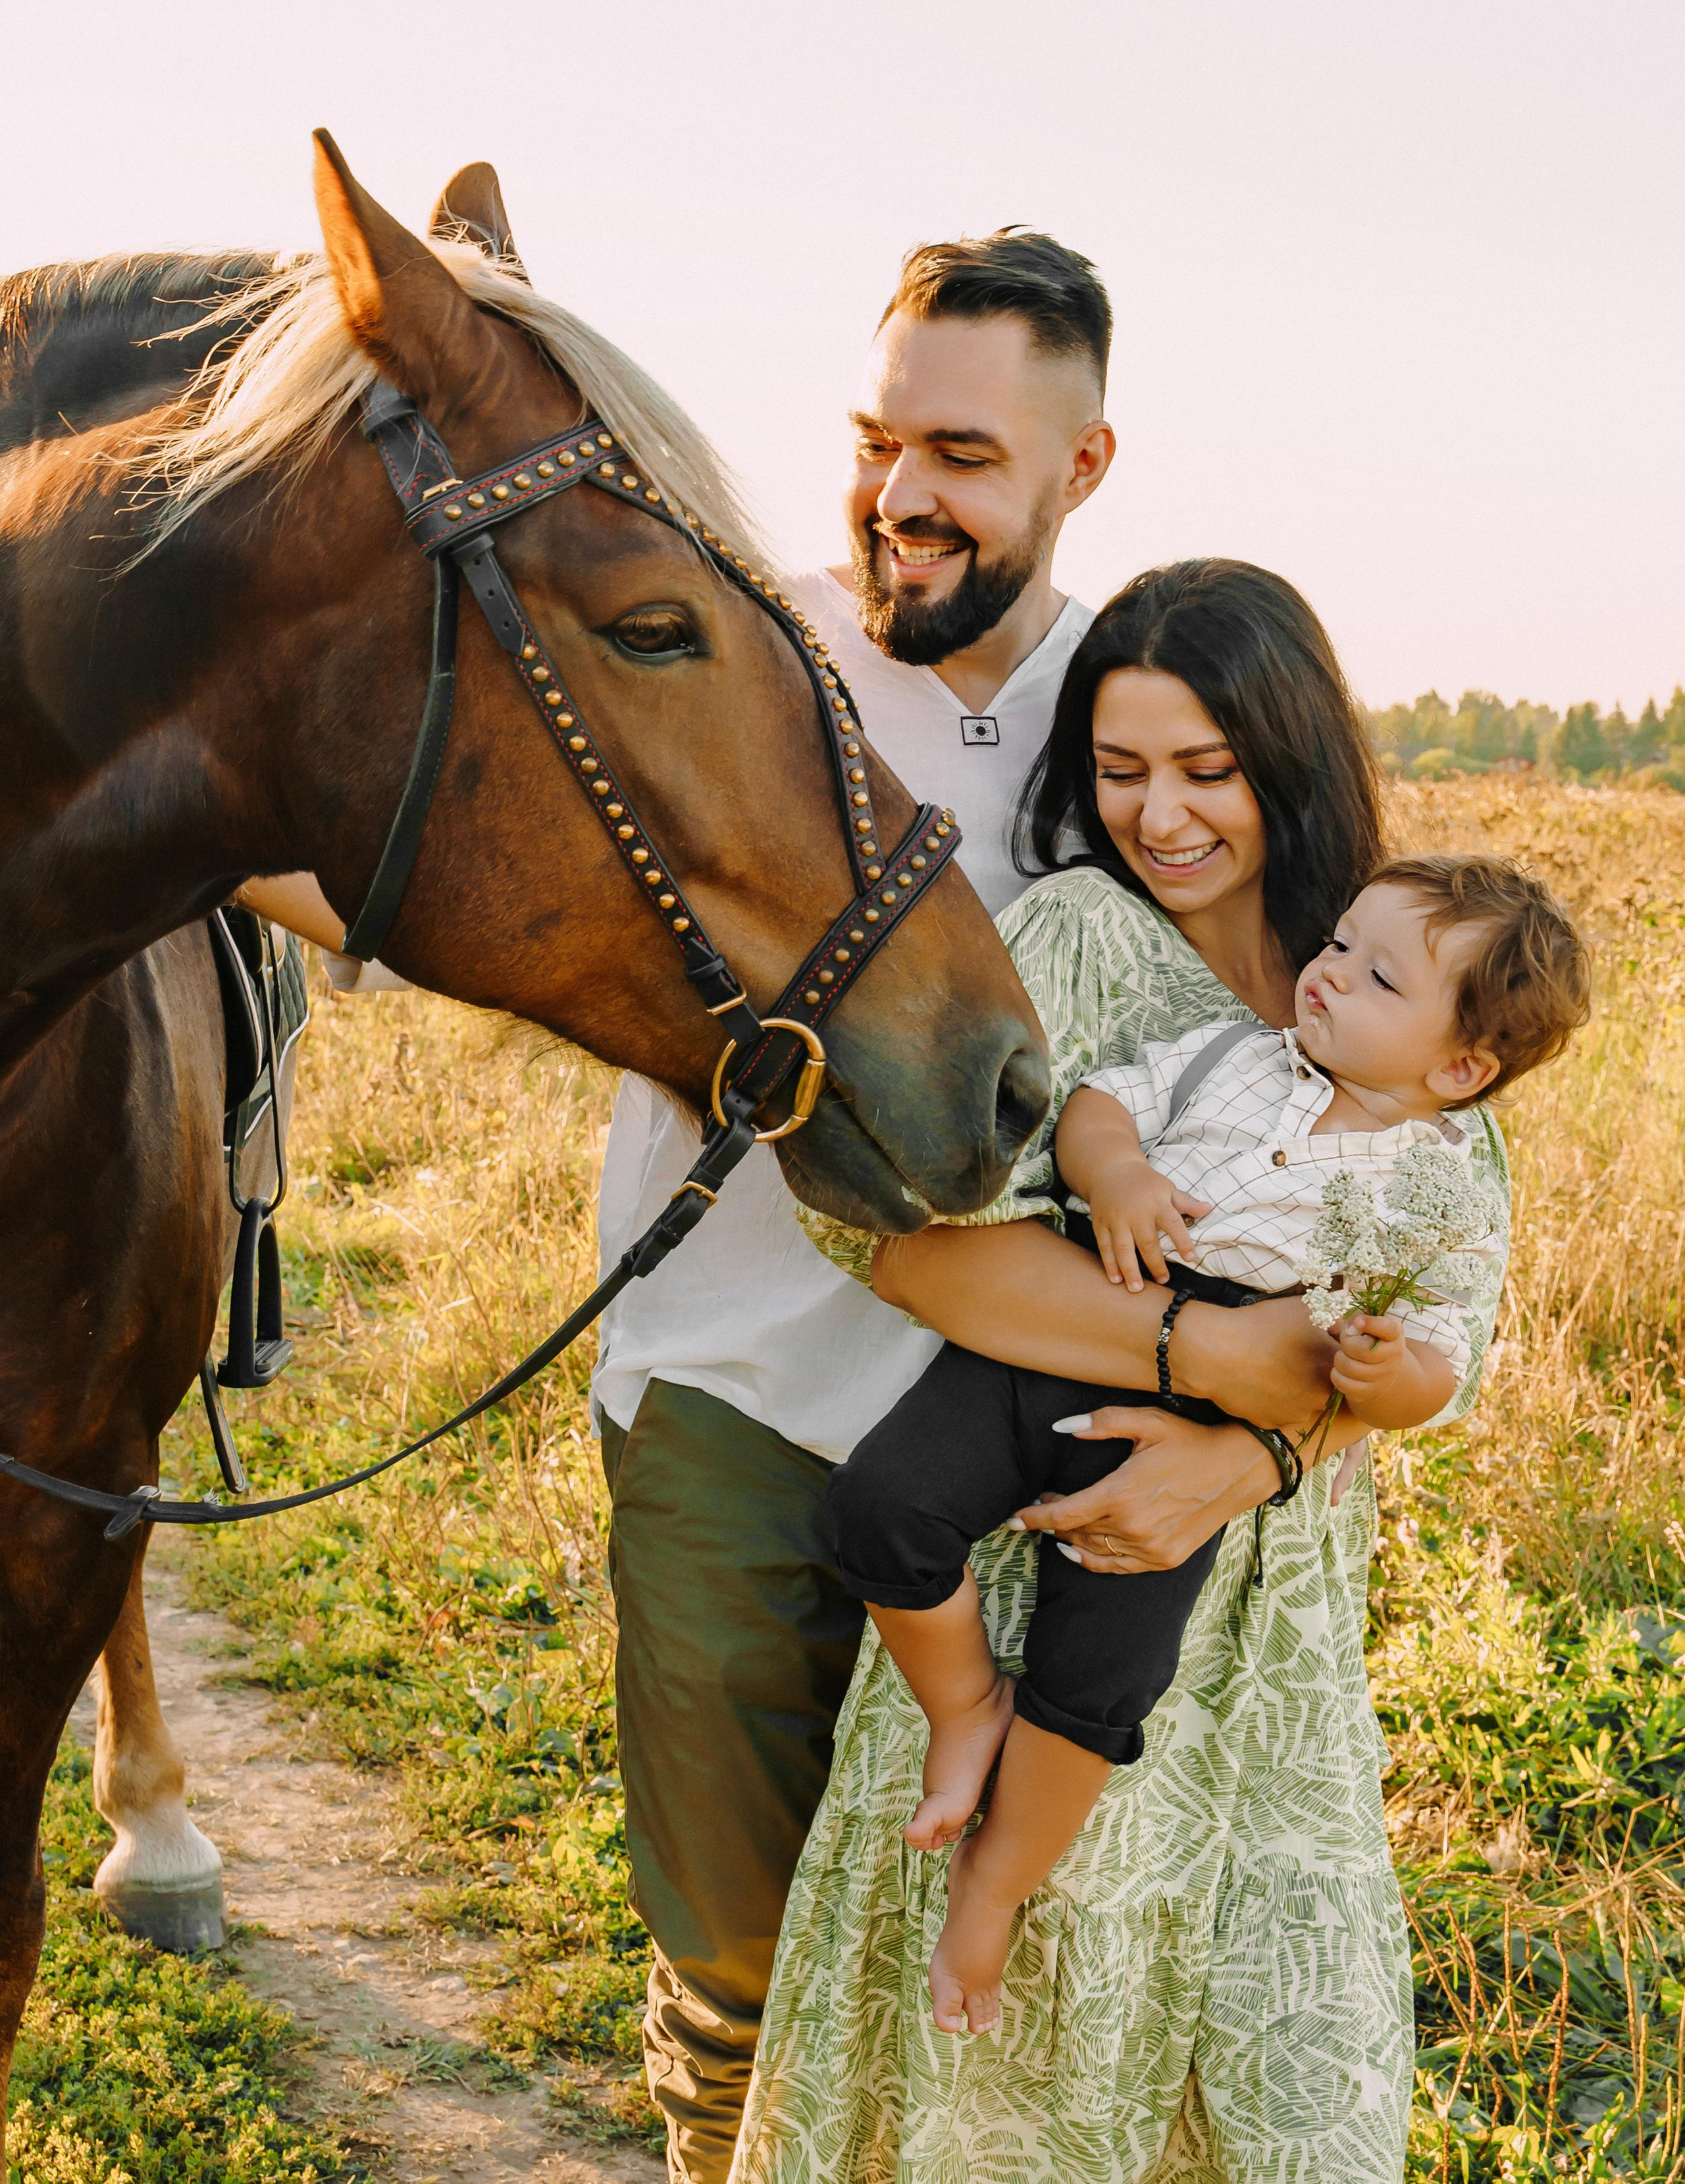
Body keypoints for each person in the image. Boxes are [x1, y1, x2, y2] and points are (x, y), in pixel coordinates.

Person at [730, 559, 1516, 2184]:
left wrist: (1251, 1456)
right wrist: (1194, 1348)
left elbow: (1446, 1325)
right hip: (1043, 1551)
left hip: (1276, 1630)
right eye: (1118, 769)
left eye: (1206, 770)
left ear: (1290, 758)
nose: (1159, 816)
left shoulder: (1405, 968)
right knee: (1018, 2055)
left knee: (1283, 2068)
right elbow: (894, 1238)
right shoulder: (1069, 940)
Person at [594, 230, 1117, 2183]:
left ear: (1084, 466)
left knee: (980, 1947)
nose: (900, 493)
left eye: (963, 456)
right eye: (877, 440)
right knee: (726, 1933)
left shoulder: (1142, 710)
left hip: (1013, 1418)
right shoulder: (738, 649)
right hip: (727, 1377)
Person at [827, 853, 1588, 2036]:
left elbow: (1438, 1364)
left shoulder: (1440, 1188)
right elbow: (1100, 1107)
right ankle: (964, 1705)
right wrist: (1118, 1173)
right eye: (1339, 944)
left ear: (1459, 1068)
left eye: (1377, 977)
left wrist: (1384, 1379)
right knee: (880, 1507)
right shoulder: (1238, 1055)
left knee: (1103, 1684)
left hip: (1199, 1429)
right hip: (1075, 1318)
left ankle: (994, 1885)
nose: (1330, 974)